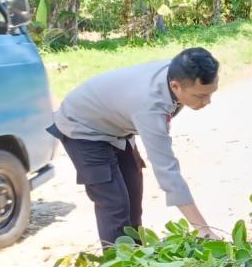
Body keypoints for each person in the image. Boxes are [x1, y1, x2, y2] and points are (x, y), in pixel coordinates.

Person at [48, 47, 220, 248]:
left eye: (211, 93)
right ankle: (116, 263)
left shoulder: (181, 71)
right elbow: (167, 171)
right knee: (115, 205)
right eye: (200, 96)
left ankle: (137, 257)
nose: (207, 101)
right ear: (175, 86)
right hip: (83, 129)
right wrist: (202, 229)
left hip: (116, 127)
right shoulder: (150, 106)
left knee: (133, 198)